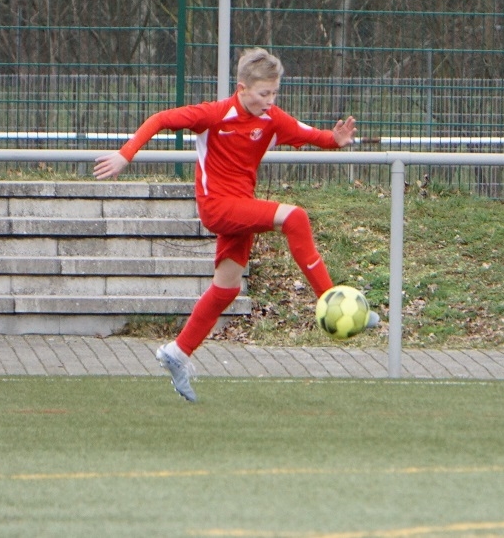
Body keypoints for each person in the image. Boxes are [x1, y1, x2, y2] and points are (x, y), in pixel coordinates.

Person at [93, 47, 376, 402]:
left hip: (240, 210)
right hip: (217, 206)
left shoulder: (271, 118)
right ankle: (332, 301)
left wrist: (335, 139)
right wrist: (126, 154)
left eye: (274, 93)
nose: (270, 101)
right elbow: (161, 119)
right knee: (295, 217)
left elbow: (310, 135)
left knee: (226, 289)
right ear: (242, 88)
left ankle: (177, 353)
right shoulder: (214, 114)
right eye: (264, 94)